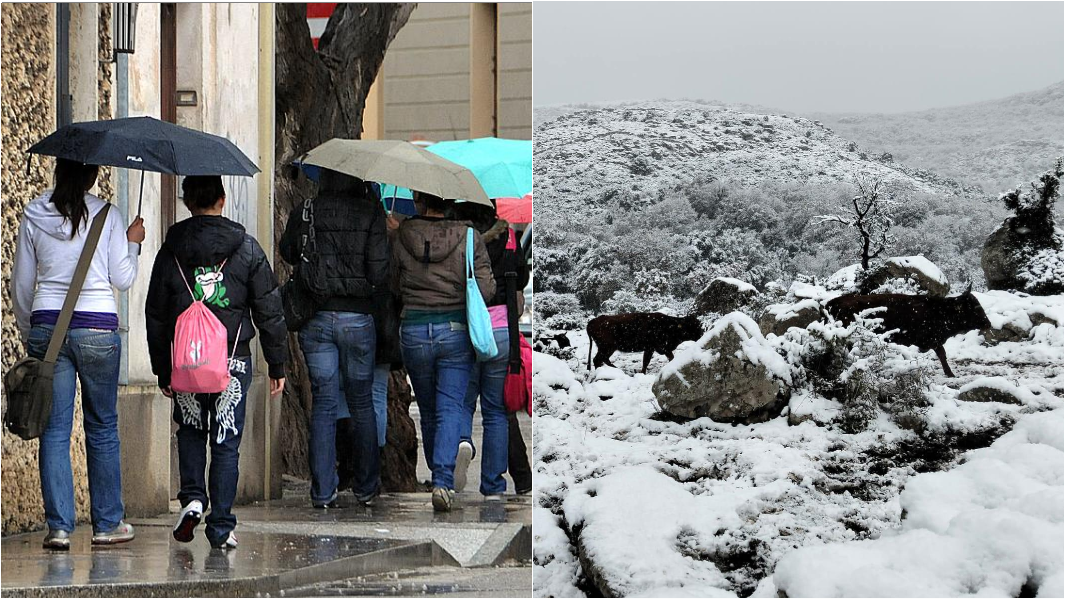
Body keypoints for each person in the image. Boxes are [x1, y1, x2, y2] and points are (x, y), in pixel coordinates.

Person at [146, 176, 287, 550]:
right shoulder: (247, 249)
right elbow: (270, 312)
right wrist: (277, 365)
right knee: (225, 442)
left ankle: (193, 497)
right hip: (231, 363)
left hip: (186, 364)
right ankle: (221, 525)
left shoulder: (171, 250)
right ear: (223, 200)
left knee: (191, 430)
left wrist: (163, 368)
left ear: (187, 201)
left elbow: (157, 314)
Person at [12, 158, 145, 549]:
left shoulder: (34, 213)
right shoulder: (108, 214)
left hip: (46, 328)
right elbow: (122, 278)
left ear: (58, 173)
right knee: (101, 426)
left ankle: (59, 528)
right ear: (93, 176)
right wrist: (133, 243)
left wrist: (29, 332)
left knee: (53, 431)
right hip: (98, 329)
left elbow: (22, 282)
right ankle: (107, 524)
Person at [280, 170, 388, 508]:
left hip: (316, 315)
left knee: (324, 403)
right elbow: (380, 271)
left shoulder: (308, 210)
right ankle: (366, 487)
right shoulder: (371, 213)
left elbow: (288, 251)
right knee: (361, 401)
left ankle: (323, 491)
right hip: (358, 318)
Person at [391, 192, 495, 512]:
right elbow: (487, 289)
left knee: (427, 408)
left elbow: (393, 284)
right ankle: (443, 481)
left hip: (414, 331)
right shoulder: (469, 237)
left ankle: (440, 474)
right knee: (450, 406)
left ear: (420, 201)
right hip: (455, 331)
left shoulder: (401, 235)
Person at [454, 202, 529, 498]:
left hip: (467, 326)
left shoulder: (458, 235)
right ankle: (494, 485)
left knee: (463, 401)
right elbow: (521, 278)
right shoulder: (509, 236)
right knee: (496, 412)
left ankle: (463, 441)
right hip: (500, 329)